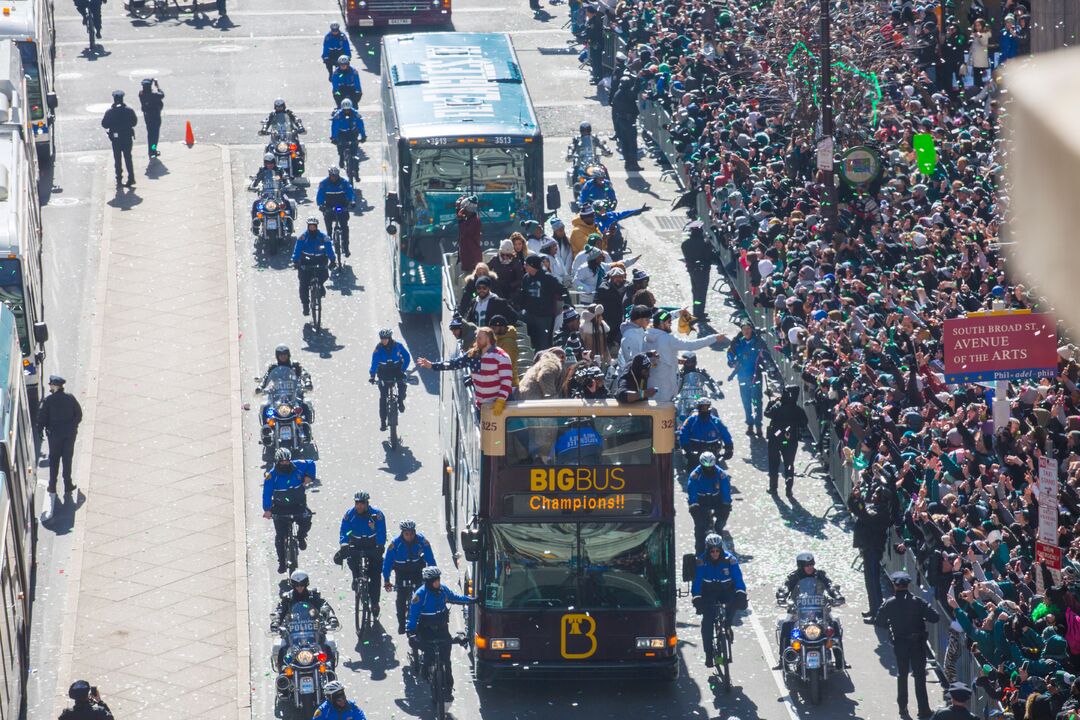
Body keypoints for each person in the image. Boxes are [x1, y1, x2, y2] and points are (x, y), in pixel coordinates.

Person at [875, 572, 940, 719]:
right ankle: (923, 710)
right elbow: (935, 617)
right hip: (917, 643)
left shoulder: (889, 603)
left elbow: (879, 622)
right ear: (908, 585)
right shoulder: (918, 602)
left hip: (900, 643)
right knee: (919, 677)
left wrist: (891, 625)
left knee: (902, 675)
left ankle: (902, 708)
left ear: (894, 585)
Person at [407, 567, 474, 700]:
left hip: (442, 630)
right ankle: (426, 672)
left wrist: (471, 600)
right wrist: (411, 632)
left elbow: (455, 597)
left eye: (438, 580)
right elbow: (413, 615)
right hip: (426, 631)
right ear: (428, 582)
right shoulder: (420, 595)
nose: (438, 583)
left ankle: (448, 687)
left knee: (446, 661)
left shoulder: (443, 590)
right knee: (429, 655)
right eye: (435, 581)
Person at [417, 327, 512, 413]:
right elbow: (454, 363)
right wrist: (432, 365)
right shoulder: (473, 354)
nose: (477, 341)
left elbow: (506, 381)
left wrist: (500, 401)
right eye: (477, 338)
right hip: (481, 407)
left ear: (488, 339)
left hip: (499, 406)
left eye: (480, 338)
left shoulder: (501, 357)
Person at [776, 552, 843, 667]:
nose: (810, 567)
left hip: (820, 610)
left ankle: (840, 660)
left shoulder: (820, 575)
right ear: (801, 566)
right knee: (786, 626)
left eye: (811, 564)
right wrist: (782, 596)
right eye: (807, 565)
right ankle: (783, 659)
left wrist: (836, 595)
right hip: (798, 611)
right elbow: (786, 587)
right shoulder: (794, 576)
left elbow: (829, 585)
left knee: (834, 625)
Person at [645, 309, 724, 402]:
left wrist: (678, 313)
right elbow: (690, 345)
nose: (671, 324)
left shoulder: (647, 335)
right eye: (669, 322)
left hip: (651, 384)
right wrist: (714, 338)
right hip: (665, 387)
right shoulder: (667, 339)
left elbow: (660, 356)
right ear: (661, 324)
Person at [692, 534, 746, 668]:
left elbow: (738, 577)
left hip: (725, 590)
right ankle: (709, 654)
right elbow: (697, 581)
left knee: (733, 604)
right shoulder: (701, 561)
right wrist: (696, 597)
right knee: (707, 622)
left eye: (717, 550)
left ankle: (727, 626)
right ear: (708, 550)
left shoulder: (730, 560)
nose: (715, 553)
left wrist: (741, 593)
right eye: (712, 551)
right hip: (709, 593)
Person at [262, 449, 315, 573]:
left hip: (298, 504)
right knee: (280, 537)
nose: (285, 464)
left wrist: (309, 476)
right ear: (277, 462)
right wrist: (267, 509)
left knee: (306, 518)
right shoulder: (271, 475)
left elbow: (311, 463)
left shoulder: (299, 465)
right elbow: (267, 493)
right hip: (280, 509)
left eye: (287, 461)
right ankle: (281, 562)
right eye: (282, 462)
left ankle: (301, 537)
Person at [334, 491, 386, 613]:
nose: (359, 506)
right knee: (351, 561)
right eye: (357, 503)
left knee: (375, 575)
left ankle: (375, 603)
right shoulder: (349, 514)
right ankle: (356, 577)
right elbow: (345, 530)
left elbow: (381, 531)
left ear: (367, 503)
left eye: (362, 503)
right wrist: (344, 543)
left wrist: (380, 545)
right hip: (356, 543)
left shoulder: (377, 514)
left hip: (372, 544)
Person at [382, 520, 436, 634]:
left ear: (415, 532)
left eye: (411, 533)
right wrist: (386, 580)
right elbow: (387, 563)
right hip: (401, 573)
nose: (409, 536)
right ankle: (401, 623)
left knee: (421, 596)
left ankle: (422, 619)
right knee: (401, 598)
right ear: (402, 534)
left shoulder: (422, 541)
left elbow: (430, 559)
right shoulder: (395, 544)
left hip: (417, 571)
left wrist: (433, 577)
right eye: (406, 534)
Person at [849, 483, 893, 622]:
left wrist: (860, 500)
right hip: (868, 548)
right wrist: (853, 498)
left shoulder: (882, 512)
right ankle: (873, 609)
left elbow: (866, 516)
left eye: (876, 494)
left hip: (874, 549)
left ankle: (878, 614)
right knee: (869, 581)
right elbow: (858, 511)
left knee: (874, 582)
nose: (873, 495)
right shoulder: (875, 508)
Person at [39, 375, 82, 516]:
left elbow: (42, 418)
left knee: (54, 460)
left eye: (51, 384)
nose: (50, 386)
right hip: (69, 435)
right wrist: (72, 427)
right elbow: (79, 414)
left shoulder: (48, 401)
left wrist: (41, 431)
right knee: (67, 459)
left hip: (55, 436)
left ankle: (52, 486)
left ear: (55, 386)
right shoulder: (70, 398)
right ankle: (68, 484)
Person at [517, 255, 567, 351]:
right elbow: (523, 295)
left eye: (526, 265)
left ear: (533, 265)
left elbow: (562, 290)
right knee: (530, 341)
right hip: (529, 314)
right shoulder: (526, 278)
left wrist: (566, 306)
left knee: (543, 344)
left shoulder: (548, 278)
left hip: (544, 316)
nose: (524, 267)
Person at [764, 384, 807, 495]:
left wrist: (771, 403)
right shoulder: (798, 410)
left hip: (775, 438)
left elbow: (767, 413)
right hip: (790, 439)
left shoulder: (778, 406)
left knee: (773, 464)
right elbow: (804, 423)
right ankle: (789, 489)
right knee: (789, 464)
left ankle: (773, 488)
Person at [686, 451, 732, 553]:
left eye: (711, 467)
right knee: (700, 527)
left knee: (721, 522)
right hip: (701, 502)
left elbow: (726, 490)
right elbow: (691, 490)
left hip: (716, 500)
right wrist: (693, 505)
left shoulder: (721, 474)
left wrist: (726, 504)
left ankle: (719, 540)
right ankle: (699, 550)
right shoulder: (695, 475)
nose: (708, 469)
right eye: (706, 467)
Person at [291, 217, 335, 317]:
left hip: (320, 260)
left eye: (313, 227)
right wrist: (295, 260)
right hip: (306, 262)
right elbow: (297, 249)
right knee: (303, 285)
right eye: (310, 226)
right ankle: (306, 305)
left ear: (316, 227)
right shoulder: (302, 237)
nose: (312, 228)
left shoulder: (323, 237)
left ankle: (320, 285)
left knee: (323, 276)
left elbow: (329, 249)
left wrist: (332, 260)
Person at [273, 570, 338, 638]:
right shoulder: (288, 598)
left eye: (302, 584)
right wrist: (276, 621)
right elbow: (280, 610)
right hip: (291, 632)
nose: (299, 587)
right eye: (296, 585)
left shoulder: (313, 596)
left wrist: (331, 617)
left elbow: (324, 606)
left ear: (306, 584)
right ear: (293, 585)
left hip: (314, 631)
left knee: (329, 645)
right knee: (278, 647)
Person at [727, 322, 765, 434]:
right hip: (742, 377)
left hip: (755, 376)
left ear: (751, 329)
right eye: (744, 329)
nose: (746, 331)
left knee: (757, 401)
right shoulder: (738, 343)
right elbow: (730, 355)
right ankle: (750, 424)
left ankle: (758, 425)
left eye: (748, 328)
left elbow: (766, 355)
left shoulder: (758, 342)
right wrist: (732, 362)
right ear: (742, 331)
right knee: (746, 401)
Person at [257, 344, 312, 421]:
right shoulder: (274, 367)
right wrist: (260, 386)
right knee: (266, 408)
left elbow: (304, 374)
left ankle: (306, 428)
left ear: (288, 355)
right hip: (277, 397)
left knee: (305, 406)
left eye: (285, 354)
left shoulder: (295, 365)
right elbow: (266, 378)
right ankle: (267, 428)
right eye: (281, 355)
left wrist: (307, 382)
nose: (283, 356)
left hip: (294, 395)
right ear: (277, 356)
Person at [369, 328, 410, 430]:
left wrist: (403, 369)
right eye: (382, 338)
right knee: (383, 398)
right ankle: (383, 422)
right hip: (383, 373)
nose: (383, 340)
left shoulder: (398, 346)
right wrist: (372, 375)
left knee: (402, 385)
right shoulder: (378, 349)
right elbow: (374, 362)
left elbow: (407, 357)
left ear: (389, 338)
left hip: (397, 370)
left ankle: (400, 401)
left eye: (385, 338)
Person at [316, 167, 356, 261]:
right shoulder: (324, 183)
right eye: (332, 176)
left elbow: (350, 192)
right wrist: (321, 205)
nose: (334, 178)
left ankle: (346, 247)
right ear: (329, 175)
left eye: (336, 176)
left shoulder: (344, 182)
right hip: (329, 207)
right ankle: (329, 245)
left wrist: (352, 201)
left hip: (341, 206)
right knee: (328, 228)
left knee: (344, 227)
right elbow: (320, 195)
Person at [101, 90, 137, 188]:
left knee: (117, 159)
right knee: (128, 158)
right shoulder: (129, 110)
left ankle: (119, 178)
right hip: (127, 137)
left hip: (116, 139)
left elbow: (104, 124)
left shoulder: (110, 112)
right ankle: (131, 177)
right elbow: (134, 123)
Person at [681, 221, 714, 321]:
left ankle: (696, 310)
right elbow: (710, 257)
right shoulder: (705, 243)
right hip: (703, 271)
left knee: (695, 291)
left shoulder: (685, 244)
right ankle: (699, 313)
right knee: (702, 292)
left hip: (692, 270)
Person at [610, 72, 642, 170]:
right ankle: (633, 164)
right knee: (632, 143)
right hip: (628, 121)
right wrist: (638, 79)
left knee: (625, 143)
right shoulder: (626, 93)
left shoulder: (617, 94)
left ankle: (628, 163)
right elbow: (635, 91)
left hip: (621, 121)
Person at [330, 99, 366, 178]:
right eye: (345, 110)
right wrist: (334, 137)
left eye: (348, 110)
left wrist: (363, 136)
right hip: (341, 133)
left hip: (352, 133)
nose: (346, 111)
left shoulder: (356, 114)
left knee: (354, 152)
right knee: (340, 145)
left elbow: (360, 125)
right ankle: (341, 157)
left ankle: (356, 171)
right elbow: (334, 127)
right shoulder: (338, 115)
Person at [489, 315, 520, 388]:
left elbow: (505, 365)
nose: (492, 331)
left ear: (502, 327)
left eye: (494, 328)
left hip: (509, 385)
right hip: (502, 382)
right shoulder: (498, 339)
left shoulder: (508, 343)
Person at [137, 78, 164, 160]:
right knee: (154, 135)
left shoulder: (141, 94)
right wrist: (157, 86)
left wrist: (151, 82)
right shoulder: (155, 95)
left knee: (150, 134)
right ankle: (153, 150)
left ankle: (151, 150)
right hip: (155, 117)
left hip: (147, 117)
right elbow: (162, 94)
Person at [456, 195, 482, 273]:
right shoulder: (468, 220)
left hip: (472, 259)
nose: (462, 211)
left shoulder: (475, 221)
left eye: (463, 209)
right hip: (467, 257)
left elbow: (465, 233)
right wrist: (457, 209)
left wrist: (460, 219)